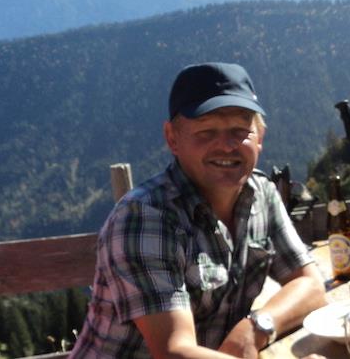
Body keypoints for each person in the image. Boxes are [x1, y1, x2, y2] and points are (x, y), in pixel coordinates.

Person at [71, 62, 326, 358]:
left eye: (240, 130)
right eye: (206, 132)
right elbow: (173, 352)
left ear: (260, 137)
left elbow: (311, 285)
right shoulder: (145, 217)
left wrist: (254, 329)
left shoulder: (262, 194)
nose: (226, 146)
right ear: (172, 139)